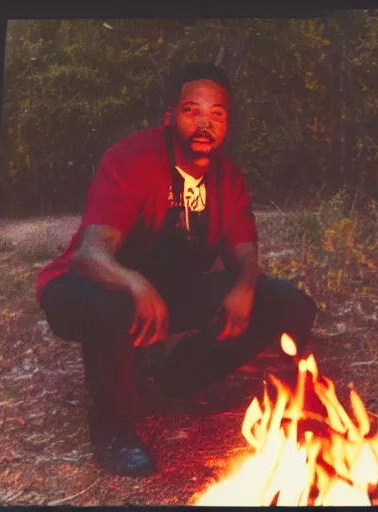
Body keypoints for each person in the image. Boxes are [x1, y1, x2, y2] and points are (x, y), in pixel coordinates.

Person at [37, 62, 318, 477]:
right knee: (115, 307)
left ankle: (178, 379)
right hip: (85, 286)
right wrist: (135, 283)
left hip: (167, 290)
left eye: (217, 114)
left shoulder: (229, 178)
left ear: (228, 123)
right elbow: (89, 255)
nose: (204, 123)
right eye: (192, 111)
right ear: (170, 116)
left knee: (288, 304)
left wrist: (244, 286)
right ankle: (113, 427)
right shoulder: (134, 158)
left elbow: (244, 253)